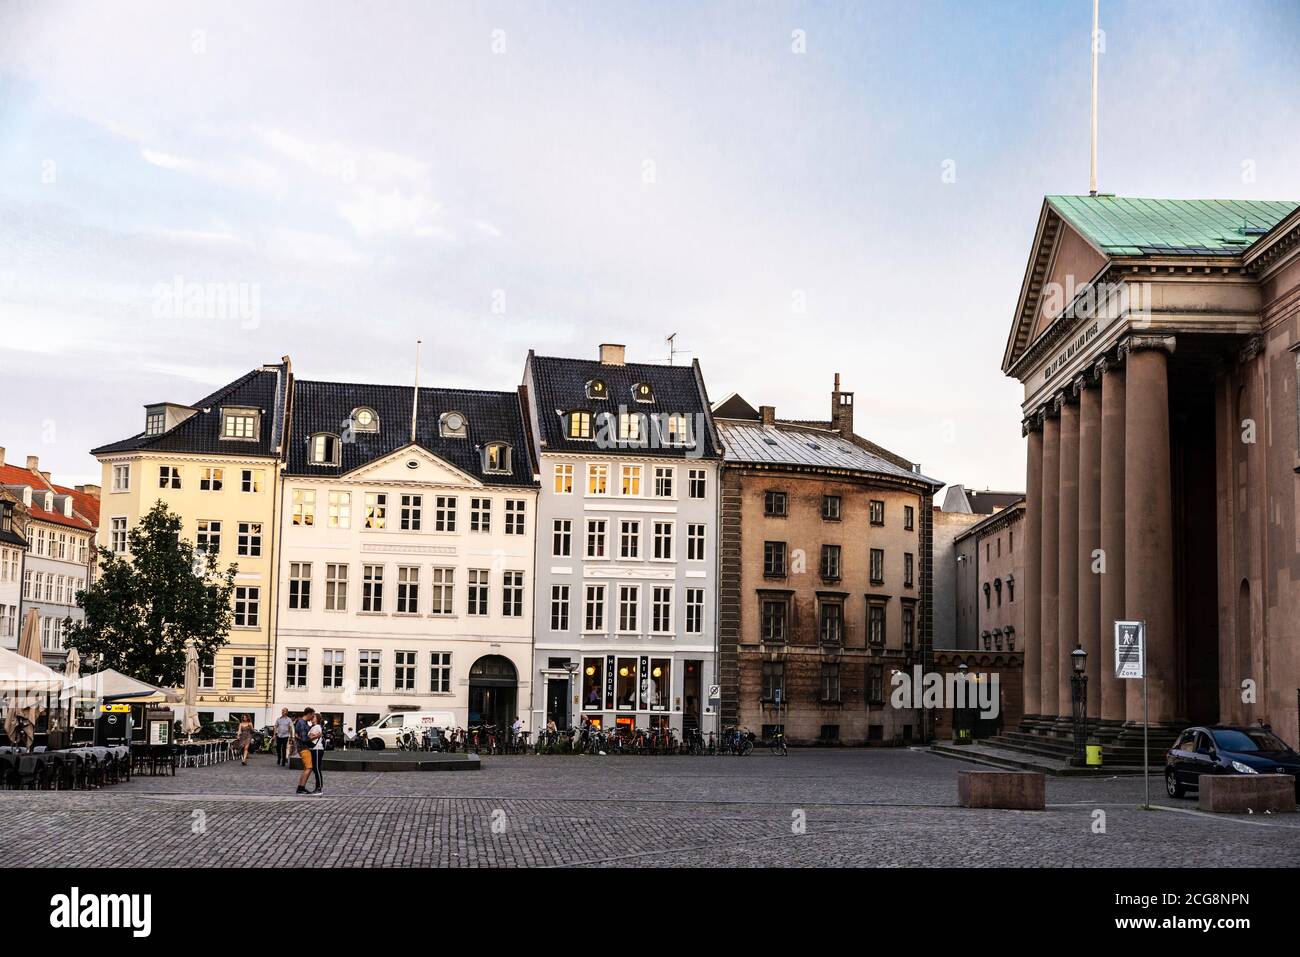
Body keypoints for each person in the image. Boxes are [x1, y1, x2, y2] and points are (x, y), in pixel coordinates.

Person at [294, 707, 316, 795]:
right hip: (303, 747)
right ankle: (301, 788)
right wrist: (316, 736)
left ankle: (301, 787)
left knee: (307, 768)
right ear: (309, 714)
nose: (313, 717)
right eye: (313, 715)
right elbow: (304, 738)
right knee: (309, 768)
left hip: (302, 747)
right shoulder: (302, 723)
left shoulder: (303, 723)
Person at [309, 713, 325, 795]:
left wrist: (311, 737)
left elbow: (311, 738)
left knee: (317, 769)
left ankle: (319, 788)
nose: (312, 718)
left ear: (317, 719)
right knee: (315, 769)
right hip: (314, 749)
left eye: (314, 717)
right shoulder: (313, 727)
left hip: (317, 749)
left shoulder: (317, 727)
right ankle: (318, 787)